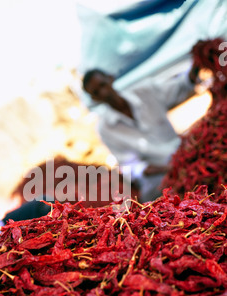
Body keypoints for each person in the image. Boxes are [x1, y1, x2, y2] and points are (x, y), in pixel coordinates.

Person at [82, 63, 201, 202]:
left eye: (103, 85)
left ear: (111, 78)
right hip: (158, 180)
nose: (104, 93)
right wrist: (169, 168)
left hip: (185, 156)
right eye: (96, 92)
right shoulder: (105, 129)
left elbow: (181, 85)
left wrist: (199, 60)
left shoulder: (146, 91)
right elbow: (131, 166)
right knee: (168, 206)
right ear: (94, 99)